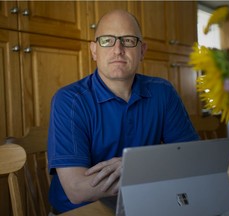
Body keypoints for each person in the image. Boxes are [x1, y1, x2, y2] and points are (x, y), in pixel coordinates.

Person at [47, 9, 199, 213]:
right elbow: (77, 190)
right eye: (107, 40)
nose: (118, 49)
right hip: (84, 211)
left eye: (128, 40)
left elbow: (192, 160)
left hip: (145, 204)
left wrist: (138, 167)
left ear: (142, 50)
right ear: (94, 50)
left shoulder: (163, 92)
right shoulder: (69, 101)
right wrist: (148, 170)